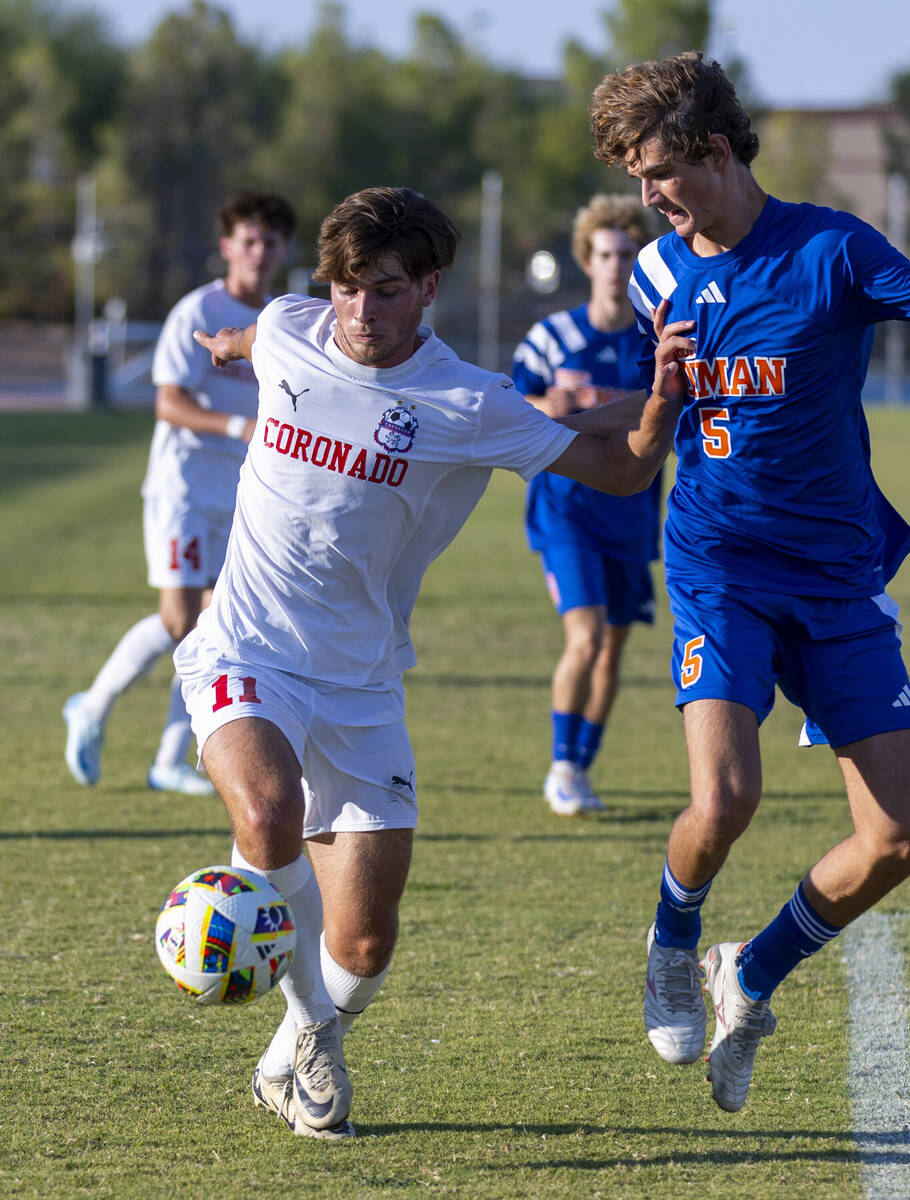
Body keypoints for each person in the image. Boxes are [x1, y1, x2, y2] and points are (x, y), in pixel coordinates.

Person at [589, 52, 910, 1113]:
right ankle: (672, 938)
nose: (647, 197)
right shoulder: (661, 273)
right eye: (630, 174)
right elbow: (653, 418)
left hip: (838, 579)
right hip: (718, 565)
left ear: (712, 149)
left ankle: (746, 974)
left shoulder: (831, 250)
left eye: (654, 170)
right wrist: (601, 416)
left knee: (897, 841)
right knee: (725, 797)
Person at [180, 186, 687, 1139]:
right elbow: (264, 338)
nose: (359, 313)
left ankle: (292, 1051)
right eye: (344, 290)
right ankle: (314, 1034)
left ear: (427, 289)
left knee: (364, 943)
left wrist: (665, 396)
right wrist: (227, 346)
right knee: (266, 809)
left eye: (382, 291)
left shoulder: (465, 401)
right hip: (245, 646)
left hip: (361, 682)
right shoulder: (293, 325)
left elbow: (620, 467)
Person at [63, 190, 296, 795]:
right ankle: (92, 705)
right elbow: (169, 400)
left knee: (215, 626)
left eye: (270, 243)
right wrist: (235, 426)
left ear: (282, 251)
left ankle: (170, 757)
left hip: (245, 495)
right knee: (180, 620)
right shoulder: (199, 309)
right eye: (248, 241)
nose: (259, 253)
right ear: (226, 247)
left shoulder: (275, 320)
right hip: (185, 490)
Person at [512, 195, 661, 816]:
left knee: (614, 646)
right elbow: (513, 412)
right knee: (587, 635)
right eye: (605, 254)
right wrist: (573, 409)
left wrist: (581, 410)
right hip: (565, 509)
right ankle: (562, 765)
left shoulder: (659, 339)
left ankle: (579, 768)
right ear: (586, 259)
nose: (617, 266)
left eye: (628, 253)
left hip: (632, 510)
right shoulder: (551, 338)